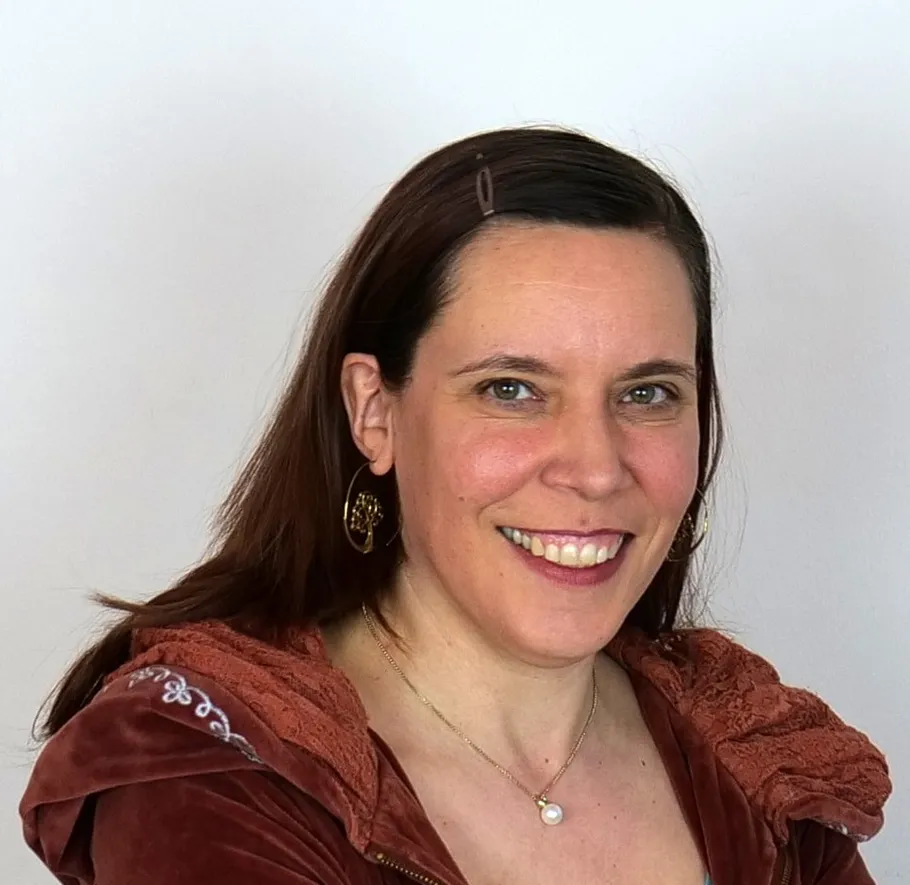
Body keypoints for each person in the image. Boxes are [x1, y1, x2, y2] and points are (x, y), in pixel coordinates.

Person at [21, 126, 890, 885]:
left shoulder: (751, 755)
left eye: (648, 393)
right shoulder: (215, 770)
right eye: (511, 388)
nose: (595, 468)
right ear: (375, 412)